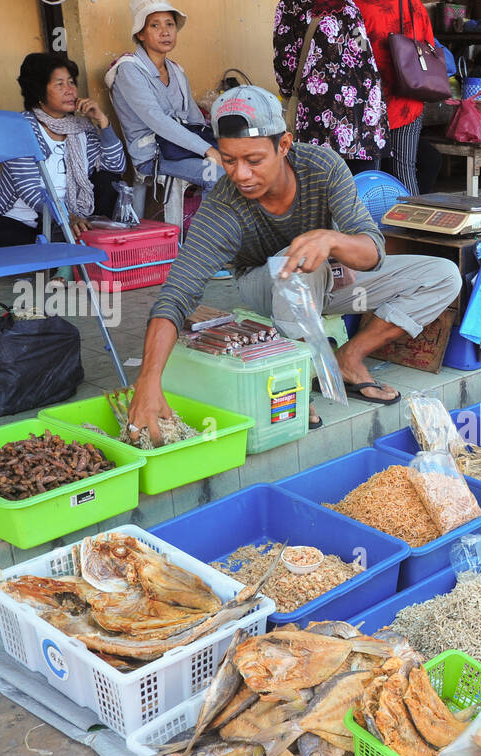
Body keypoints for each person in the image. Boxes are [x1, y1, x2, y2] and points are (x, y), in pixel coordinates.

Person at [126, 86, 461, 438]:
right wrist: (148, 381)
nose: (240, 174)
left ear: (283, 145)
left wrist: (332, 239)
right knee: (296, 259)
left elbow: (372, 250)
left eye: (253, 160)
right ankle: (298, 377)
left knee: (443, 275)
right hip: (267, 286)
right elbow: (177, 294)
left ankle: (347, 358)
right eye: (228, 160)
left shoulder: (322, 166)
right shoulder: (223, 206)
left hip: (330, 278)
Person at [0, 53, 126, 250]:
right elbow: (29, 189)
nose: (70, 90)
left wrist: (103, 123)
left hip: (80, 217)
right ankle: (62, 245)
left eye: (71, 83)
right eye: (60, 84)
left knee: (109, 179)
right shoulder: (20, 128)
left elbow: (116, 166)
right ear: (39, 92)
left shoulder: (81, 127)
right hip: (31, 222)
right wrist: (66, 217)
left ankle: (64, 245)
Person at [107, 2, 222, 198]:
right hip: (154, 155)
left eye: (170, 24)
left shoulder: (177, 71)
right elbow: (157, 120)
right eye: (155, 25)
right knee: (217, 176)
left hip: (184, 150)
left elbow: (195, 120)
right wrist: (207, 149)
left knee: (245, 166)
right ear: (140, 34)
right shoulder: (129, 70)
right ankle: (207, 229)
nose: (165, 32)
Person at [272, 0, 387, 175]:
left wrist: (288, 92)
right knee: (361, 187)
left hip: (319, 108)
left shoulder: (291, 5)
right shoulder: (348, 5)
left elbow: (285, 62)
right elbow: (362, 50)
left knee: (319, 186)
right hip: (363, 113)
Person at [358, 0, 435, 194]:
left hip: (369, 102)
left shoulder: (358, 5)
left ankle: (369, 223)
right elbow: (429, 47)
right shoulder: (415, 5)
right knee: (405, 172)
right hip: (409, 97)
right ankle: (413, 222)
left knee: (369, 175)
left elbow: (356, 50)